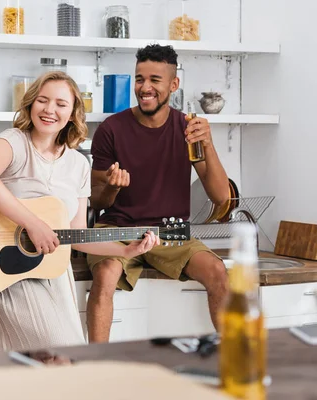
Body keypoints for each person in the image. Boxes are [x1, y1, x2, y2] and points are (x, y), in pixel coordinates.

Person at [0, 71, 160, 352]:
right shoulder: (13, 142)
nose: (50, 110)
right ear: (30, 104)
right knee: (60, 355)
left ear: (74, 113)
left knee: (41, 371)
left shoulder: (78, 164)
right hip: (3, 272)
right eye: (42, 100)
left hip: (53, 276)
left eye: (61, 104)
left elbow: (77, 235)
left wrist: (125, 251)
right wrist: (32, 224)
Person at [86, 44, 230, 343]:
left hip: (172, 233)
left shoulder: (189, 129)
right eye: (140, 79)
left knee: (218, 271)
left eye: (155, 79)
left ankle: (237, 364)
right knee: (105, 273)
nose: (145, 87)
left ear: (173, 84)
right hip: (118, 230)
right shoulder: (111, 129)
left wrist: (209, 144)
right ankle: (95, 367)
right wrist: (112, 187)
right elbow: (97, 202)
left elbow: (221, 199)